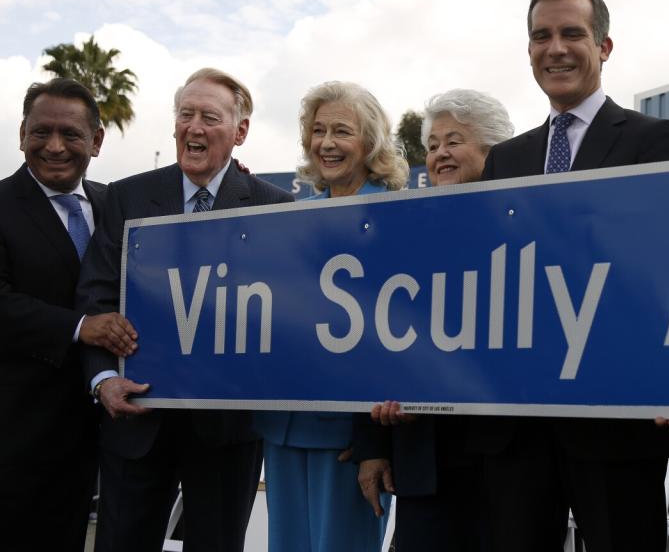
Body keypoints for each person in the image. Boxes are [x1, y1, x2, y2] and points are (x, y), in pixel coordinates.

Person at [474, 0, 669, 552]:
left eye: (572, 33)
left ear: (605, 47)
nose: (556, 49)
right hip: (517, 428)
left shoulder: (653, 140)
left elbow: (657, 270)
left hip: (612, 423)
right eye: (541, 36)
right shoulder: (506, 158)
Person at [76, 67, 294, 552]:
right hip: (134, 422)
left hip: (227, 433)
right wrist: (102, 380)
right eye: (185, 114)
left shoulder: (272, 208)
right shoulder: (126, 196)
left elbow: (285, 320)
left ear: (240, 132)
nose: (193, 127)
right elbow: (96, 296)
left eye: (209, 117)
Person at [355, 88, 515, 552]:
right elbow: (369, 341)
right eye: (432, 145)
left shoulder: (528, 228)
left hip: (507, 463)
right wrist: (373, 445)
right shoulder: (403, 233)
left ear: (492, 149)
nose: (440, 154)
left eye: (454, 141)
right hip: (423, 462)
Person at [253, 80, 406, 552]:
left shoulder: (400, 217)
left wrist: (374, 445)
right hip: (281, 429)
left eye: (342, 130)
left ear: (370, 141)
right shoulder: (292, 217)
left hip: (350, 439)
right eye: (318, 131)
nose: (326, 143)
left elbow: (403, 337)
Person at [0, 78, 138, 551]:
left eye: (71, 134)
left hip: (105, 438)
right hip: (18, 441)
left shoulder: (116, 205)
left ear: (96, 141)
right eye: (41, 132)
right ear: (22, 134)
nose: (54, 146)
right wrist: (81, 327)